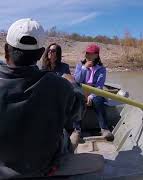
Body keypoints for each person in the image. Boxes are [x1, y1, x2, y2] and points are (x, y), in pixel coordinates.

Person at [0, 18, 85, 177]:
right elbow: (78, 112)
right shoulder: (60, 86)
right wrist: (74, 85)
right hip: (42, 169)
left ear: (6, 49)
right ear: (41, 53)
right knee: (68, 135)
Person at [74, 44, 114, 141]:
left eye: (90, 53)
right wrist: (84, 68)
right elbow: (77, 81)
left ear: (96, 55)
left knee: (98, 100)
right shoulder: (80, 66)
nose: (87, 55)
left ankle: (104, 128)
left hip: (95, 92)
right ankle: (77, 130)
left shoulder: (101, 69)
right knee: (77, 99)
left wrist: (91, 96)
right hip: (81, 91)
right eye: (86, 53)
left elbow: (99, 86)